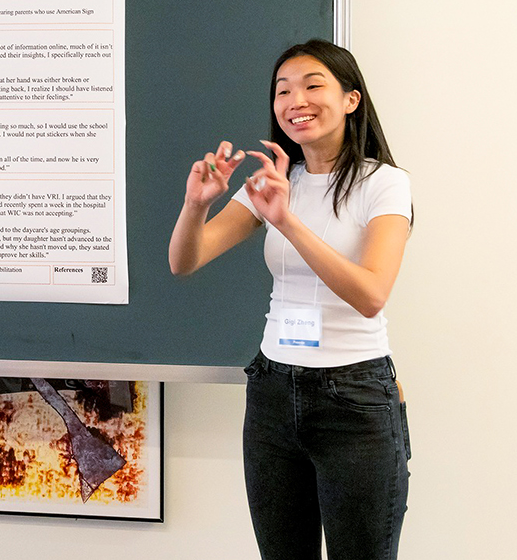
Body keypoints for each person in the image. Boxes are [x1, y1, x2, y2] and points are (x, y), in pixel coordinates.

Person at [169, 39, 412, 560]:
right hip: (273, 394)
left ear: (351, 99)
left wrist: (286, 222)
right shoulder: (274, 182)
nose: (294, 99)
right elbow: (184, 261)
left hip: (354, 398)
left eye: (312, 85)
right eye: (283, 90)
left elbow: (371, 295)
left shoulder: (385, 185)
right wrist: (196, 205)